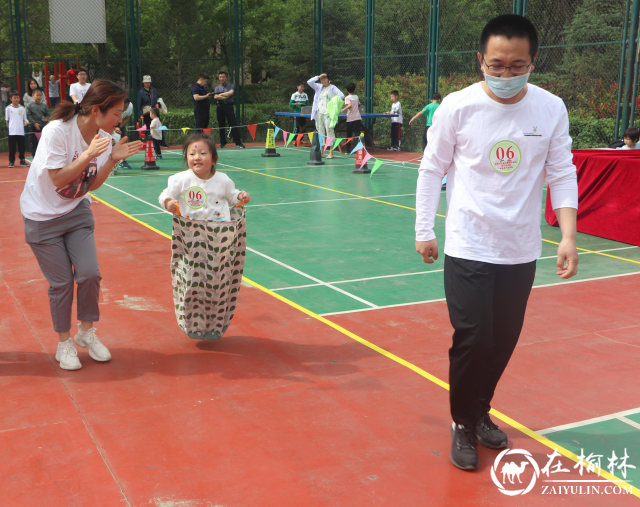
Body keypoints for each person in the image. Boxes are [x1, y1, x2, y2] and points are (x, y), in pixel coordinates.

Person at [415, 14, 579, 472]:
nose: (506, 74)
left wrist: (567, 236)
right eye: (497, 65)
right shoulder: (457, 107)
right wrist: (423, 229)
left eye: (517, 66)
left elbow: (562, 171)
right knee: (473, 337)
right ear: (480, 60)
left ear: (533, 63)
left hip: (521, 247)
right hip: (468, 243)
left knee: (503, 339)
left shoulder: (550, 108)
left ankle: (480, 408)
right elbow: (432, 170)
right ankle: (462, 423)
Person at [19, 80, 143, 371]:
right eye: (116, 113)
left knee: (89, 274)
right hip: (41, 217)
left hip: (75, 212)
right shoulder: (57, 132)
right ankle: (64, 344)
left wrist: (111, 159)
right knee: (61, 283)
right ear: (97, 110)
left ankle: (86, 332)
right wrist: (88, 154)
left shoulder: (104, 139)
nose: (120, 120)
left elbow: (91, 185)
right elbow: (58, 179)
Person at [159, 134, 250, 340]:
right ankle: (191, 323)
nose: (196, 157)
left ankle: (215, 325)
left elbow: (233, 198)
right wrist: (168, 203)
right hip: (191, 239)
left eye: (202, 153)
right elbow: (164, 195)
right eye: (191, 153)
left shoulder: (223, 180)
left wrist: (241, 197)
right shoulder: (181, 179)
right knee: (191, 279)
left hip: (220, 239)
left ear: (214, 159)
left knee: (217, 283)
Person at [307, 73, 344, 158]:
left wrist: (333, 104)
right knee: (320, 132)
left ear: (329, 79)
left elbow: (341, 95)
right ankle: (321, 151)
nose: (323, 80)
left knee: (329, 131)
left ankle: (331, 152)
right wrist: (318, 77)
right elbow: (309, 82)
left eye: (325, 78)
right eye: (321, 79)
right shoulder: (318, 87)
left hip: (328, 113)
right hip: (319, 113)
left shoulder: (332, 87)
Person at [214, 71, 245, 148]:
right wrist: (225, 95)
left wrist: (220, 94)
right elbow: (215, 97)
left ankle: (238, 143)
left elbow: (230, 93)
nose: (221, 78)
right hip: (220, 106)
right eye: (220, 77)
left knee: (233, 124)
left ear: (226, 77)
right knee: (221, 125)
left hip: (229, 106)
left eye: (223, 77)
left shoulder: (231, 86)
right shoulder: (217, 88)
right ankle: (222, 143)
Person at [5, 90, 29, 167]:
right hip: (12, 132)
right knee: (12, 148)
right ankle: (11, 161)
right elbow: (7, 120)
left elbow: (25, 119)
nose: (16, 99)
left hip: (21, 131)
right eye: (14, 98)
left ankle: (22, 160)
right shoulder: (8, 108)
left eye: (18, 97)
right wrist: (9, 129)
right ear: (11, 99)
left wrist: (26, 122)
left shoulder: (22, 108)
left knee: (22, 146)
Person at [26, 88, 50, 157]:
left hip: (43, 127)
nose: (39, 97)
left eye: (40, 95)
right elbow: (28, 115)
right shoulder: (30, 105)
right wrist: (34, 123)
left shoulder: (44, 106)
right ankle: (34, 158)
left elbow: (48, 115)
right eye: (37, 95)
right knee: (34, 143)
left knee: (43, 143)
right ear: (33, 95)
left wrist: (46, 119)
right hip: (33, 127)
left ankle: (43, 158)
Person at [112, 98, 135, 170]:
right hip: (109, 124)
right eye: (123, 107)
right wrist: (114, 128)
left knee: (125, 137)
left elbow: (126, 118)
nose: (124, 109)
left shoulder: (130, 106)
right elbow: (107, 119)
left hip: (119, 124)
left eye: (126, 107)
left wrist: (119, 127)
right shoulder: (113, 106)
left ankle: (122, 161)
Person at [342, 82, 362, 152]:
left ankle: (348, 149)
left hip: (350, 118)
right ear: (355, 90)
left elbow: (349, 105)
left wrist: (342, 109)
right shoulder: (356, 97)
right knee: (357, 134)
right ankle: (359, 149)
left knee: (349, 134)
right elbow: (359, 104)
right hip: (357, 118)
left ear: (346, 90)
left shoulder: (347, 97)